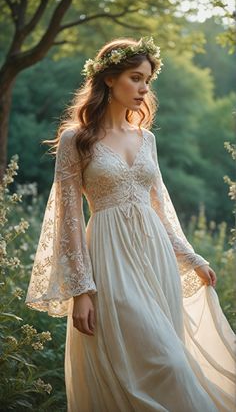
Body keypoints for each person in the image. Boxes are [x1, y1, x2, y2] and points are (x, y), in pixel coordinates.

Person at [25, 36, 236, 412]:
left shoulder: (147, 139)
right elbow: (69, 220)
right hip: (110, 259)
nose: (143, 89)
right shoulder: (77, 140)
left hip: (155, 259)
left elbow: (160, 209)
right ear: (109, 79)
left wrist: (192, 257)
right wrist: (81, 290)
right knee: (162, 365)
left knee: (171, 357)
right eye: (135, 78)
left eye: (148, 81)